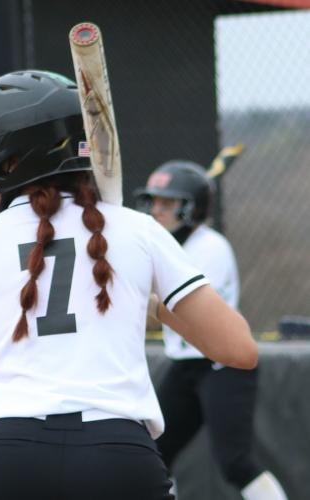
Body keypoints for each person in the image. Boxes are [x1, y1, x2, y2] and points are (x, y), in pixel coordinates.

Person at [0, 70, 257, 500]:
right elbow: (239, 349)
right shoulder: (139, 230)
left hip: (3, 458)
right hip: (117, 456)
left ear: (14, 158)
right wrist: (154, 301)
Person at [133, 161, 287, 500]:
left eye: (168, 203)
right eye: (154, 201)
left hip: (222, 366)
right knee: (153, 454)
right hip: (184, 364)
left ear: (192, 208)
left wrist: (144, 300)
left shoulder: (210, 247)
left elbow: (186, 316)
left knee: (235, 461)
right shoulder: (164, 244)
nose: (157, 210)